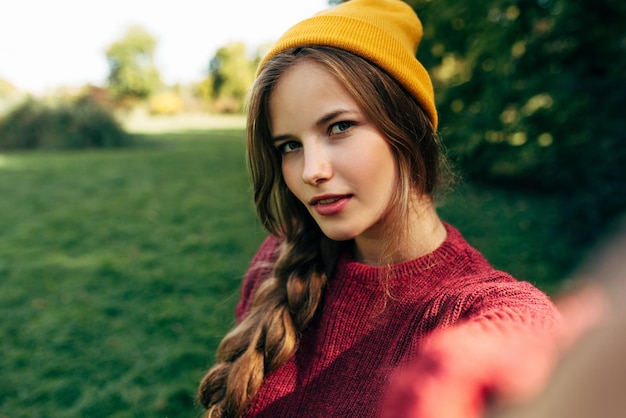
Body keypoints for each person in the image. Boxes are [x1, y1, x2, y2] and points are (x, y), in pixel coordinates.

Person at [197, 1, 560, 417]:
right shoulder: (279, 261)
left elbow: (524, 334)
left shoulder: (475, 306)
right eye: (290, 146)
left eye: (339, 127)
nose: (312, 171)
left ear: (405, 125)